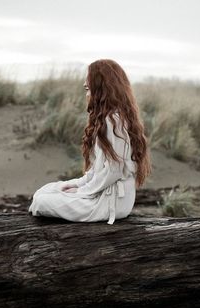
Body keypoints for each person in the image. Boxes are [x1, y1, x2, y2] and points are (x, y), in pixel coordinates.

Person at [28, 59, 152, 224]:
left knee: (42, 201)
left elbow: (114, 172)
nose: (86, 94)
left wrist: (82, 192)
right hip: (104, 195)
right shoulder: (112, 118)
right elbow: (98, 170)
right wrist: (77, 184)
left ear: (101, 89)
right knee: (44, 191)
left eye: (88, 88)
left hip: (110, 203)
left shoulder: (113, 120)